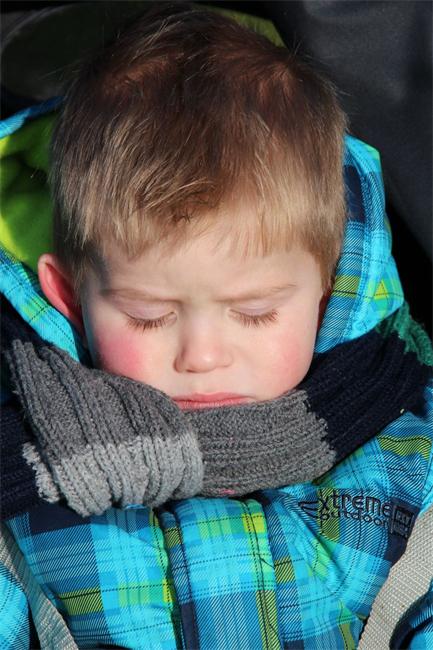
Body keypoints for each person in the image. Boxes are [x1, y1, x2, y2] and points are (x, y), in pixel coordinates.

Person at [1, 3, 432, 648]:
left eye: (255, 312)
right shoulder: (24, 465)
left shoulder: (401, 445)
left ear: (327, 288)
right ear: (68, 296)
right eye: (149, 316)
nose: (201, 356)